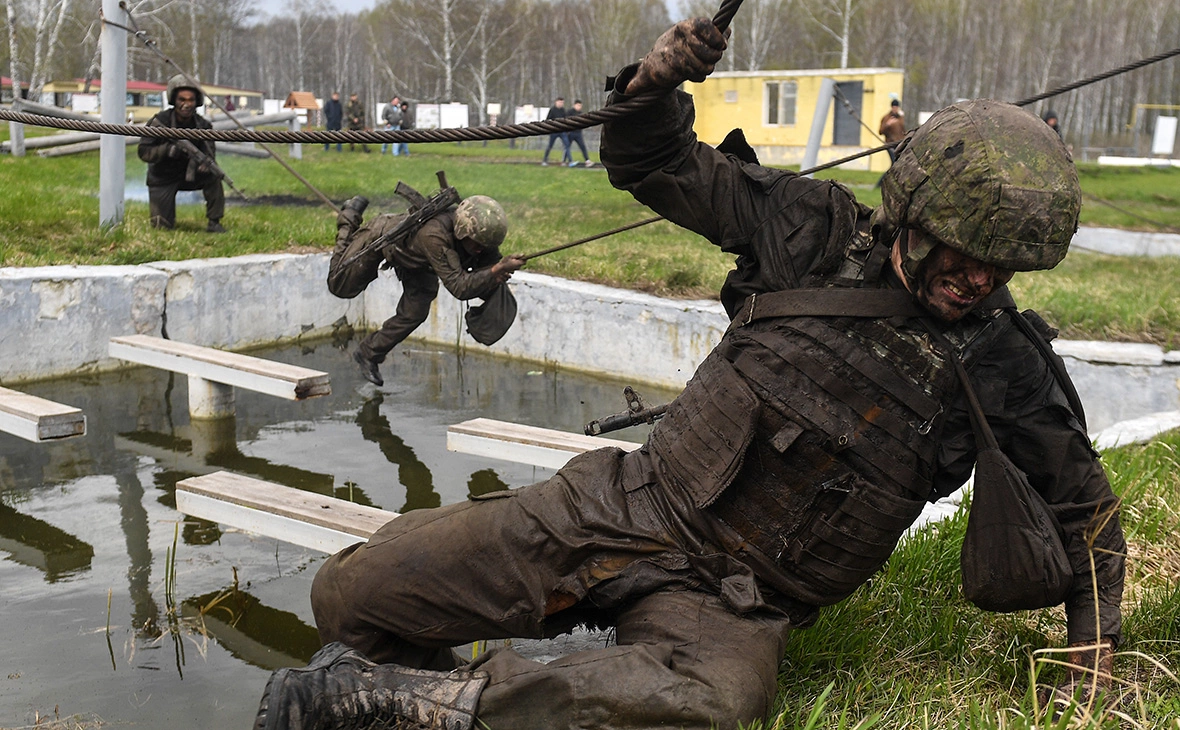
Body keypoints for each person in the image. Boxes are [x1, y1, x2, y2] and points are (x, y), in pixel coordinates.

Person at [253, 18, 1125, 730]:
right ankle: (413, 691)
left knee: (716, 703)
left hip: (737, 602)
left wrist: (1093, 660)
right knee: (352, 594)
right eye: (962, 254)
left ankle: (437, 708)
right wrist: (655, 84)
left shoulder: (1003, 361)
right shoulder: (812, 232)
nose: (977, 281)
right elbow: (656, 166)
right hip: (624, 506)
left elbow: (1084, 511)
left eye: (1001, 269)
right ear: (912, 215)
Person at [327, 194, 525, 387]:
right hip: (383, 238)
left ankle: (369, 354)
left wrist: (497, 271)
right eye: (477, 244)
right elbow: (459, 287)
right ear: (462, 231)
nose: (481, 249)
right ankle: (349, 217)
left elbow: (485, 270)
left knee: (415, 312)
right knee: (339, 286)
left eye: (486, 246)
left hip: (420, 261)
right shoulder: (434, 235)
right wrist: (496, 270)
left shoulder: (481, 236)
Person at [136, 75, 226, 233]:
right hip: (163, 177)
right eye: (182, 99)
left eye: (191, 100)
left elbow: (210, 153)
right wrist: (167, 150)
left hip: (191, 174)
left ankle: (214, 222)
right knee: (161, 226)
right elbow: (144, 152)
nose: (186, 104)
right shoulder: (159, 122)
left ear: (197, 102)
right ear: (174, 100)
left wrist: (205, 164)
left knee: (214, 174)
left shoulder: (203, 126)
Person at [541, 96, 570, 166]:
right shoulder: (552, 110)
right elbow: (548, 120)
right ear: (556, 102)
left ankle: (564, 161)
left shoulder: (563, 110)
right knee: (550, 146)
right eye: (560, 102)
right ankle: (545, 160)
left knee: (567, 145)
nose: (561, 104)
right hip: (554, 131)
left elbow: (566, 120)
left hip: (562, 131)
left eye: (562, 103)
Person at [566, 99, 593, 166]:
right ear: (574, 105)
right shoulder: (569, 112)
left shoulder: (581, 113)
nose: (579, 107)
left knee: (582, 146)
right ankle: (564, 160)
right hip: (571, 132)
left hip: (578, 133)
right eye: (578, 105)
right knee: (567, 147)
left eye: (580, 106)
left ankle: (587, 160)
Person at [879, 97, 906, 162]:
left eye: (896, 107)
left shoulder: (900, 118)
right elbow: (880, 131)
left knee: (898, 161)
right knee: (894, 160)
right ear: (891, 107)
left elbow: (903, 130)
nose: (895, 109)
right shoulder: (886, 118)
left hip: (899, 143)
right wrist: (887, 124)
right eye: (894, 107)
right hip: (890, 144)